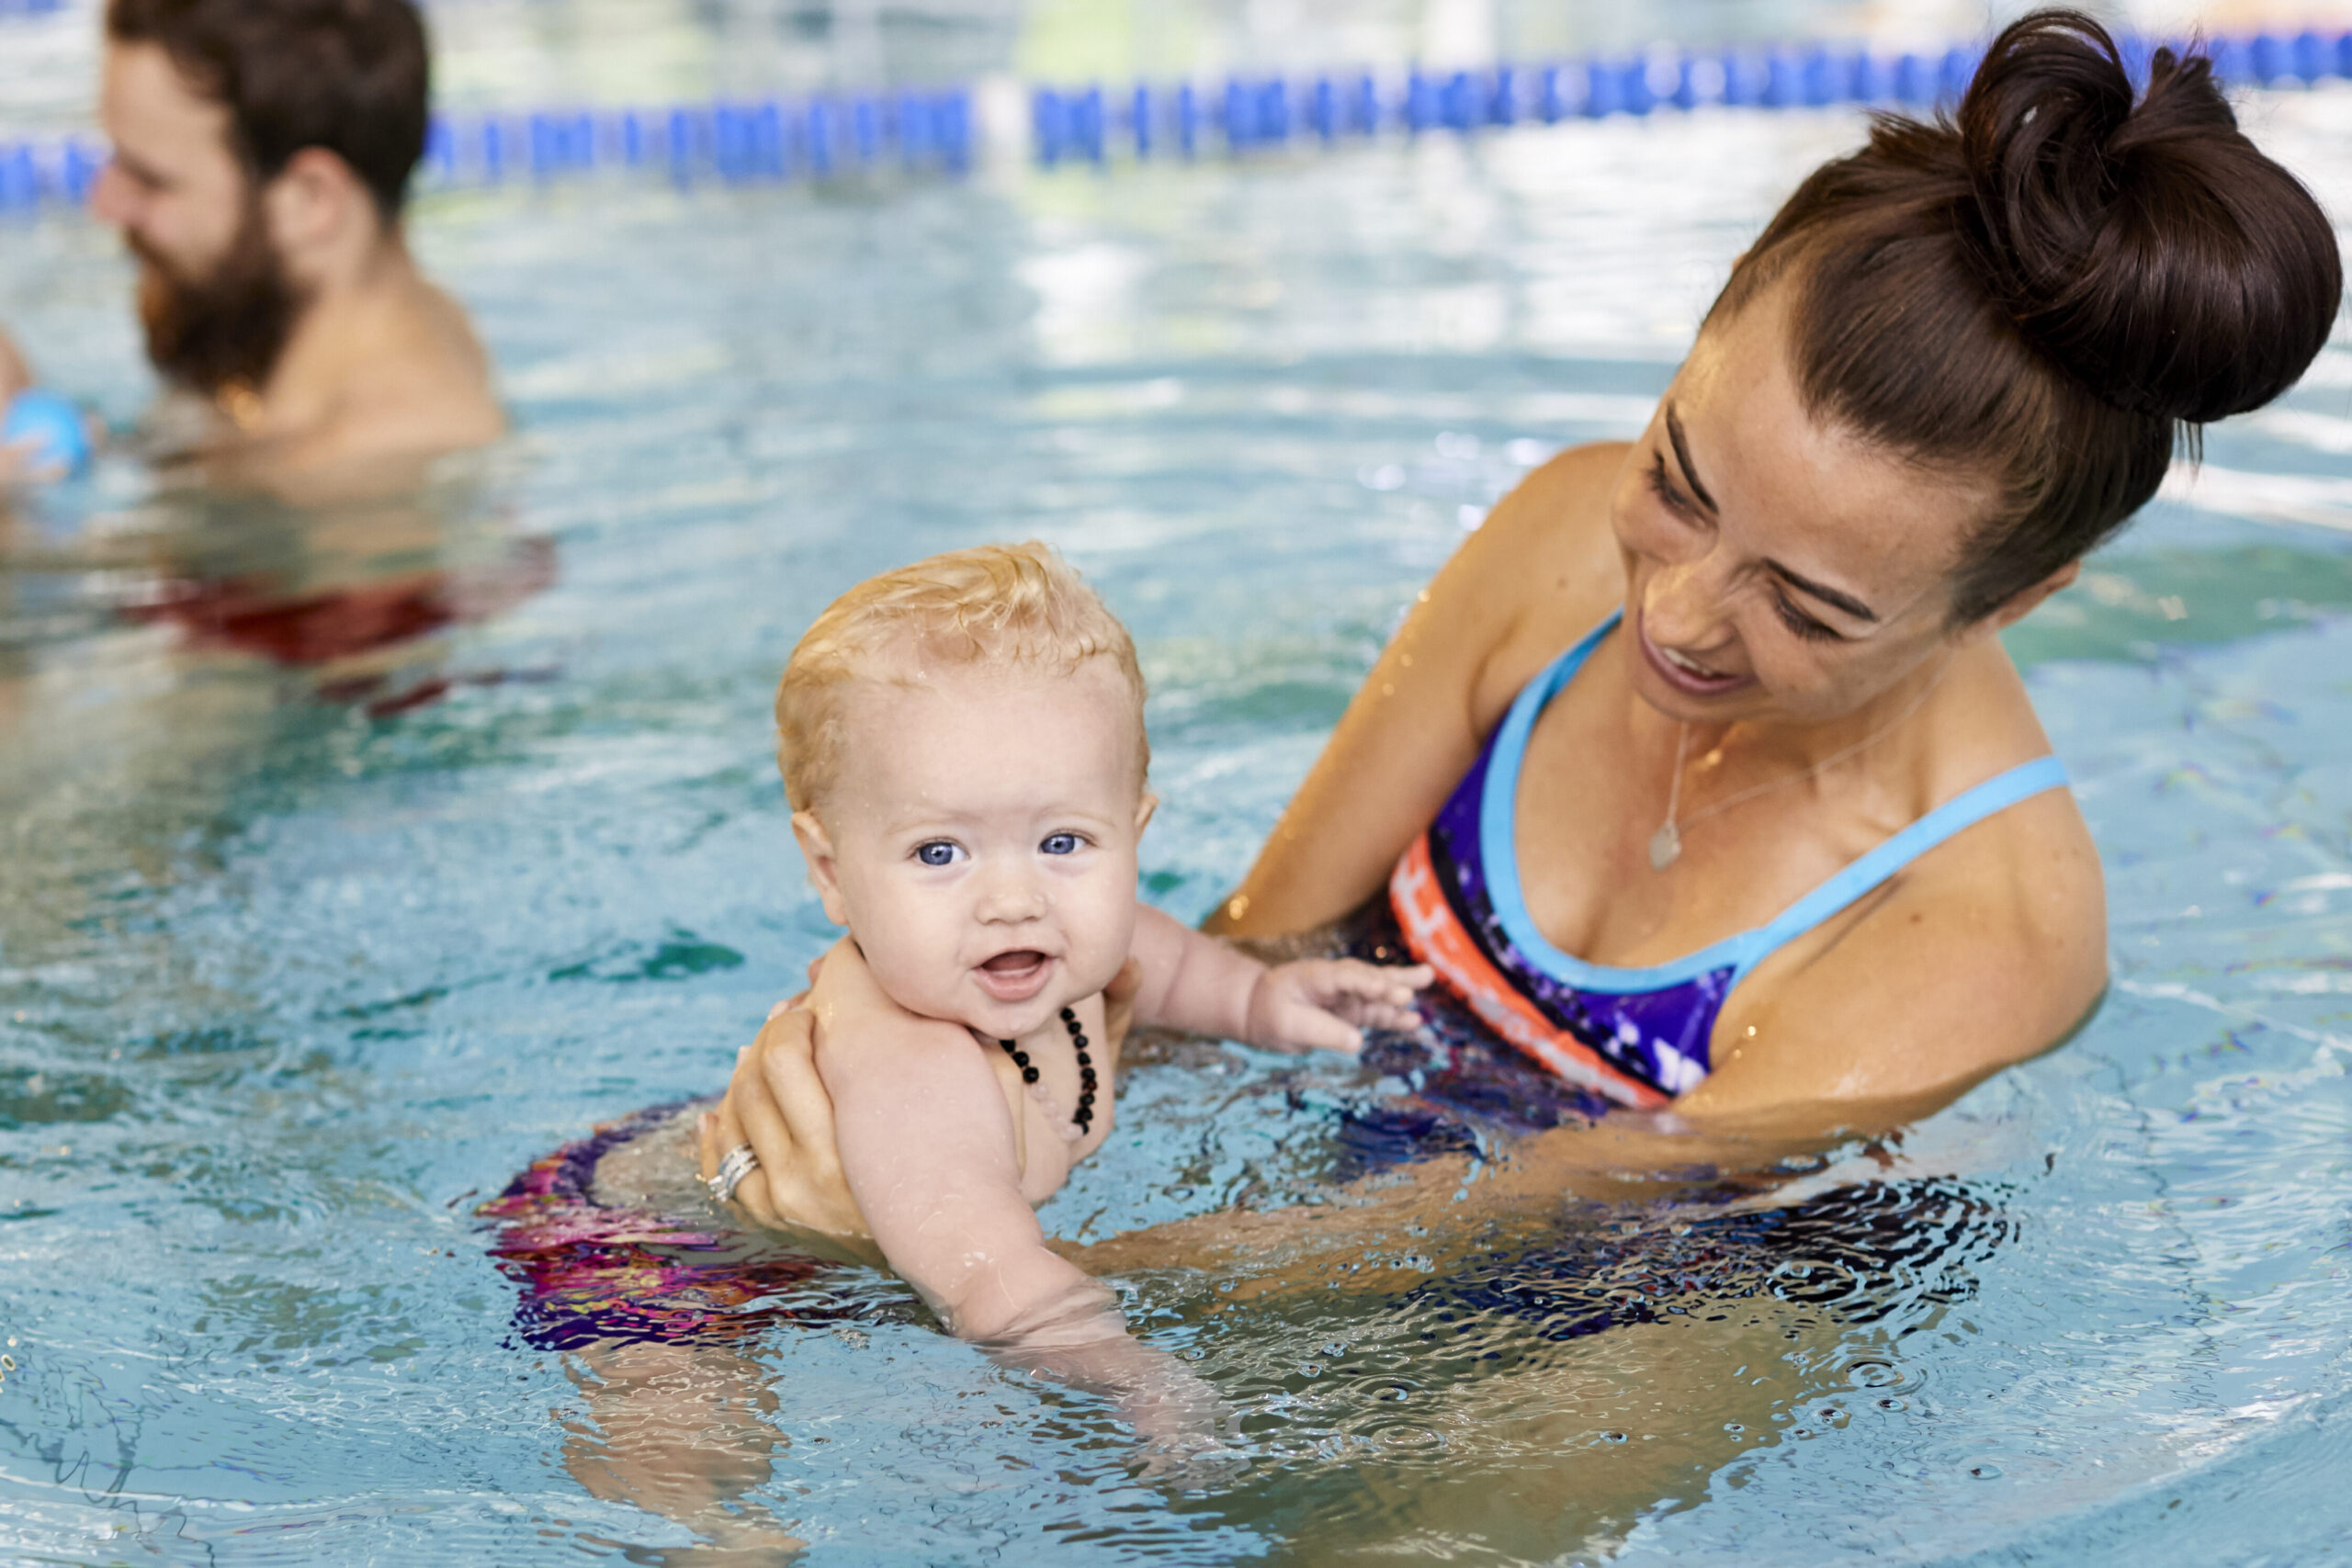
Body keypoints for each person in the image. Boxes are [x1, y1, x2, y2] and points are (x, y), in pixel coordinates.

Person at [698, 12, 2340, 1249]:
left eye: (1811, 603)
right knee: (627, 1235)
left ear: (2017, 601)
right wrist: (945, 1131)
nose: (1680, 613)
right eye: (1682, 481)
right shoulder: (1566, 532)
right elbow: (1258, 944)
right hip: (1360, 1153)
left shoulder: (1990, 921)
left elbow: (1542, 1217)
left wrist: (995, 1278)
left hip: (1644, 1282)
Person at [483, 543, 1426, 1543]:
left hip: (751, 1199)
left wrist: (1270, 1000)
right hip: (651, 1249)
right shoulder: (911, 1057)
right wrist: (1137, 1377)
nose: (1012, 898)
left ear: (1133, 833)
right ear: (831, 872)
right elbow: (988, 1278)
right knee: (693, 1455)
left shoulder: (1082, 946)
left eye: (1064, 842)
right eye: (940, 852)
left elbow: (1184, 967)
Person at [0, 0, 502, 491]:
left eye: (150, 180)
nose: (103, 204)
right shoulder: (289, 332)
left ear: (310, 200)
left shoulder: (366, 480)